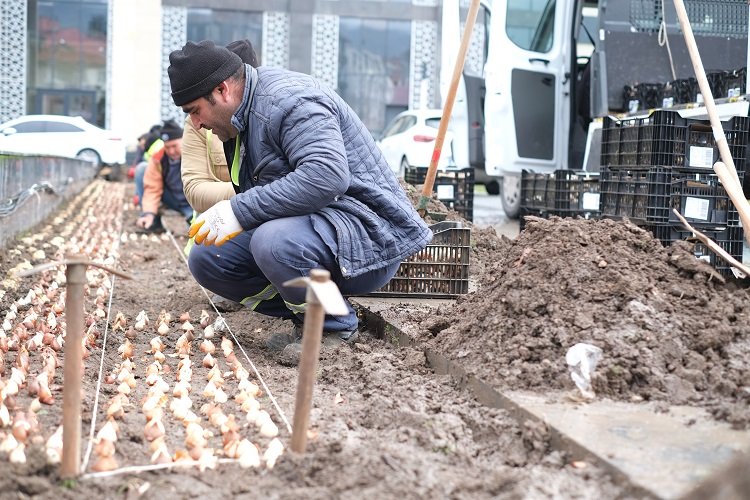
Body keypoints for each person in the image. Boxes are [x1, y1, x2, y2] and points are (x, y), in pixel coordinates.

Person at [167, 40, 432, 352]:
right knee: (209, 258)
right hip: (317, 231)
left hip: (365, 236)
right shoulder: (244, 117)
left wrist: (237, 210)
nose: (196, 124)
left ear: (223, 90)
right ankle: (308, 318)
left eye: (195, 111)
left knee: (274, 242)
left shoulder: (290, 101)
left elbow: (327, 175)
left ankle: (334, 327)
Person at [136, 120, 193, 232]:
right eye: (167, 147)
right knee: (142, 169)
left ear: (183, 140)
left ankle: (192, 216)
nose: (171, 151)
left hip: (192, 203)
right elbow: (152, 188)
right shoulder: (158, 158)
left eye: (174, 146)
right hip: (172, 199)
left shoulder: (194, 153)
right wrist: (149, 213)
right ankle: (152, 220)